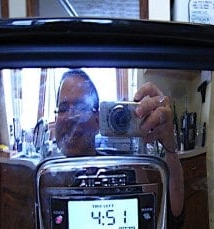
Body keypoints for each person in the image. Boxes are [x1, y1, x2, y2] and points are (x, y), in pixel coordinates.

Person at [55, 69, 184, 217]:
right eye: (63, 108)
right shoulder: (41, 176)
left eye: (81, 107)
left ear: (99, 120)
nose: (70, 117)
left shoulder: (125, 168)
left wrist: (170, 147)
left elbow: (171, 213)